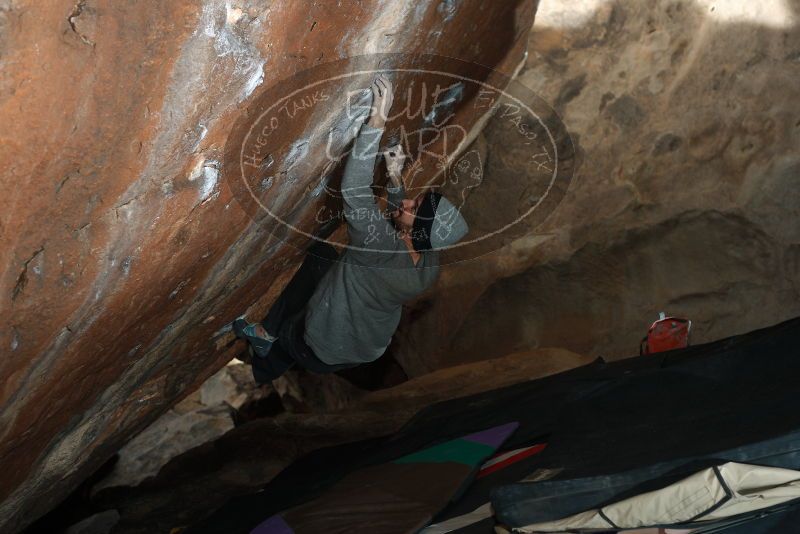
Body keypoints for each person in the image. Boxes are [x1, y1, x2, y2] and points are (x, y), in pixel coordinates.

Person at [233, 75, 468, 384]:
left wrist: (376, 122)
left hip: (316, 346)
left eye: (414, 207)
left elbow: (355, 191)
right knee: (328, 263)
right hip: (358, 349)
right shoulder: (427, 262)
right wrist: (396, 178)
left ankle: (268, 337)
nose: (408, 202)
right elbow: (403, 227)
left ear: (418, 231)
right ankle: (270, 363)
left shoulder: (382, 251)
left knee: (318, 257)